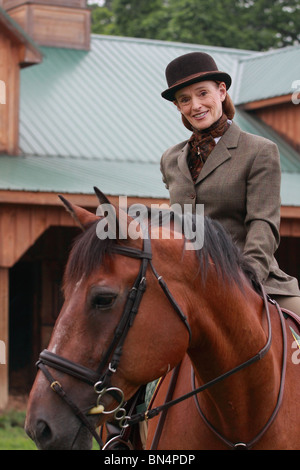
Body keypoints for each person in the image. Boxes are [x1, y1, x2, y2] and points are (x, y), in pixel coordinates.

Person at [160, 52, 300, 315]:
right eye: (185, 100)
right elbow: (176, 226)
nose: (196, 105)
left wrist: (245, 280)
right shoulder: (170, 159)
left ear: (221, 91)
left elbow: (263, 223)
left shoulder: (260, 151)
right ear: (178, 107)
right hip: (187, 284)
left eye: (203, 93)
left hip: (250, 279)